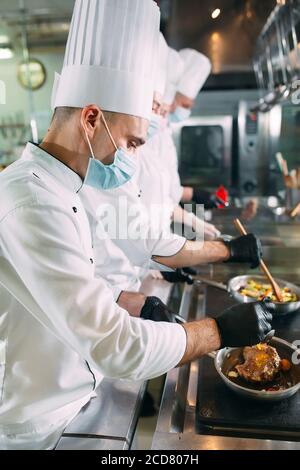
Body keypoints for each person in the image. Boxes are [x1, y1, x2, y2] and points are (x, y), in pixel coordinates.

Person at [0, 0, 272, 450]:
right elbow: (114, 344)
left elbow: (70, 289)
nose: (132, 159)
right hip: (38, 425)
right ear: (91, 119)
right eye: (129, 142)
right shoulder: (32, 201)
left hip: (80, 395)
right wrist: (219, 331)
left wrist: (126, 299)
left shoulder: (63, 187)